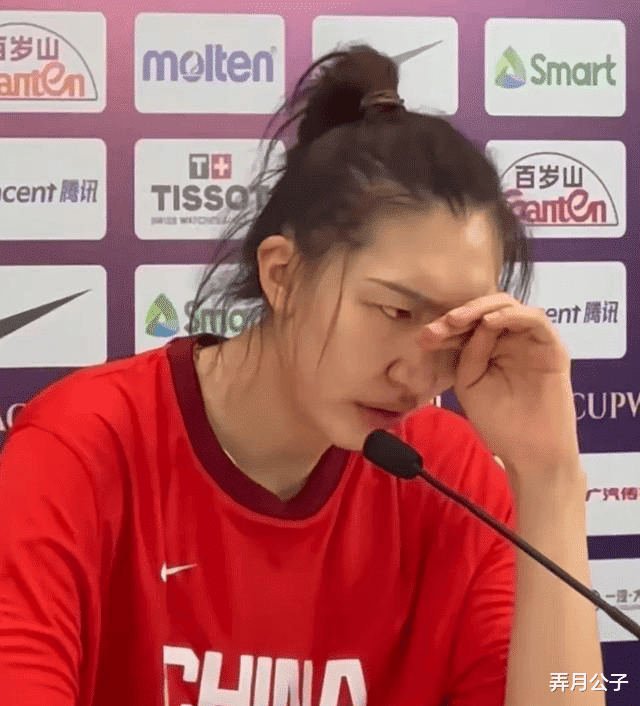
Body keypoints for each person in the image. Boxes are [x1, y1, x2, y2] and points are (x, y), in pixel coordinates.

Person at [0, 45, 604, 706]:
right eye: (395, 311)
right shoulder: (83, 445)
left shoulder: (451, 476)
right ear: (283, 275)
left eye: (455, 330)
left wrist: (549, 481)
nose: (418, 375)